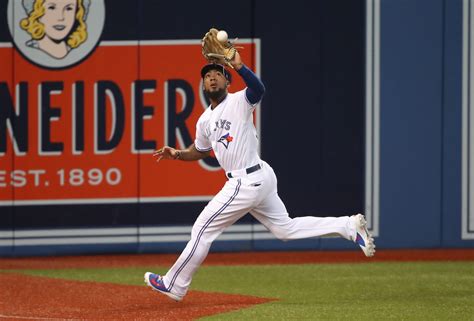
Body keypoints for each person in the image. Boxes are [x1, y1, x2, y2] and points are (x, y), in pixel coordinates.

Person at [144, 51, 375, 302]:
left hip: (245, 181)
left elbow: (258, 88)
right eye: (207, 76)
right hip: (259, 178)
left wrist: (239, 65)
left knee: (202, 229)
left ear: (227, 82)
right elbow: (199, 151)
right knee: (284, 229)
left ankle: (174, 284)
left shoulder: (238, 101)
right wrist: (177, 153)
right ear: (202, 84)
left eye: (217, 75)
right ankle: (349, 226)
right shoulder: (204, 120)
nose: (212, 79)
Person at [20, 0, 89, 59]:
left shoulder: (76, 51)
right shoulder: (29, 50)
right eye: (52, 7)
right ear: (36, 12)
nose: (61, 17)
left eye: (69, 8)